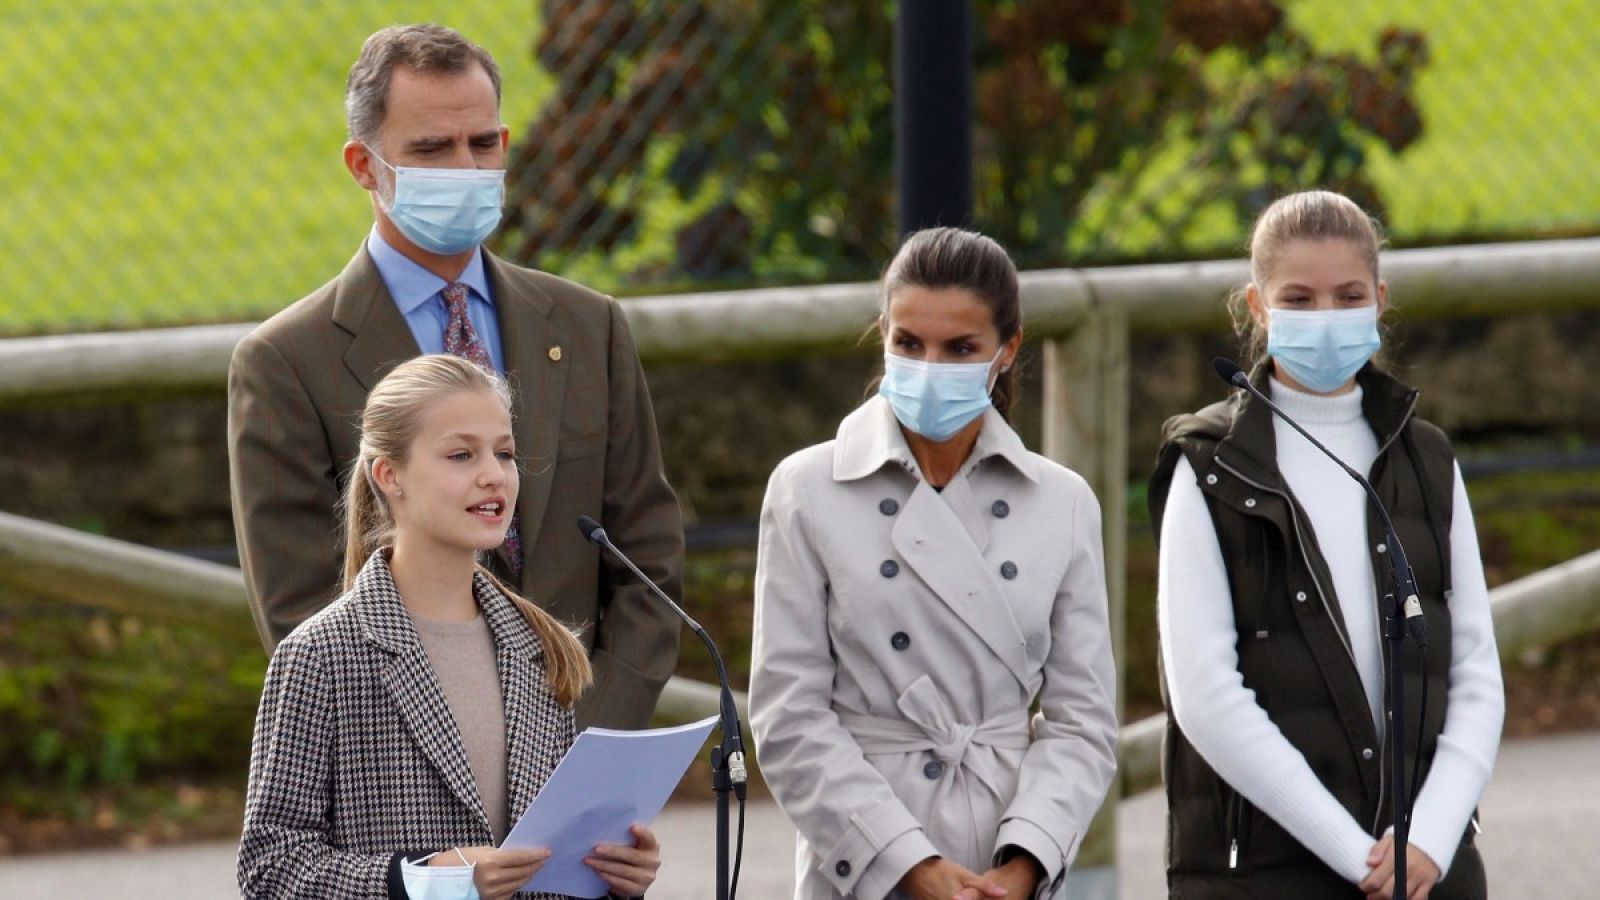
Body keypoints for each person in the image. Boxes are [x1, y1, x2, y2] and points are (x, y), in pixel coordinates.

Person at [226, 23, 682, 730]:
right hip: (410, 759)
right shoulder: (287, 363)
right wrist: (456, 748)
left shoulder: (589, 328)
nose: (467, 169)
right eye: (432, 149)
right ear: (364, 165)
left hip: (584, 748)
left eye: (484, 143)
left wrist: (591, 745)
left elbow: (646, 556)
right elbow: (302, 611)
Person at [1149, 190, 1504, 899]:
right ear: (1257, 306)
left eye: (1347, 297)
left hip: (1427, 870)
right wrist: (1357, 854)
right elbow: (1205, 694)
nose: (1325, 317)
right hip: (1265, 873)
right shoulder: (1209, 465)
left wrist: (1430, 838)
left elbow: (1474, 669)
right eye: (1299, 299)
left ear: (1380, 299)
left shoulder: (1428, 458)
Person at [749, 227, 1119, 900]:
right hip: (862, 850)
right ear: (882, 334)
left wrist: (1025, 863)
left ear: (1008, 349)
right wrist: (907, 863)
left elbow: (1083, 720)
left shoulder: (1062, 502)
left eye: (960, 348)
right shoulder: (806, 488)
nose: (930, 366)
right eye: (909, 343)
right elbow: (788, 714)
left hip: (1005, 849)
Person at [238, 354, 660, 900]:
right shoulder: (320, 654)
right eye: (461, 455)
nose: (494, 475)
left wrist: (616, 879)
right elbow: (270, 869)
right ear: (389, 476)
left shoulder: (541, 646)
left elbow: (549, 867)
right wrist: (426, 881)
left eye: (504, 453)